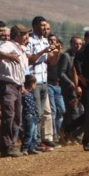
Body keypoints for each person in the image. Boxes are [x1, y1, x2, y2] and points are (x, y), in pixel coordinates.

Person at [0, 23, 30, 157]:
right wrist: (9, 56)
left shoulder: (21, 49)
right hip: (7, 85)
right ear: (17, 35)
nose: (26, 36)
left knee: (16, 117)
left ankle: (11, 144)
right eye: (24, 34)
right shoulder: (8, 45)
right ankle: (6, 146)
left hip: (17, 86)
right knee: (8, 116)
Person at [26, 16, 57, 148]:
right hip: (34, 81)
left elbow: (51, 62)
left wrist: (57, 52)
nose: (45, 28)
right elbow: (29, 60)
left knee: (43, 113)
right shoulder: (29, 40)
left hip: (44, 80)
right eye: (42, 25)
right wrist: (43, 51)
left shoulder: (45, 40)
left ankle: (40, 139)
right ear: (35, 26)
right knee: (36, 112)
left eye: (46, 25)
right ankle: (36, 141)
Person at [21, 74, 41, 155]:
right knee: (29, 133)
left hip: (33, 115)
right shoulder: (25, 93)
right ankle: (25, 148)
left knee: (34, 133)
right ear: (32, 84)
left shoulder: (29, 93)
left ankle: (32, 148)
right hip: (28, 115)